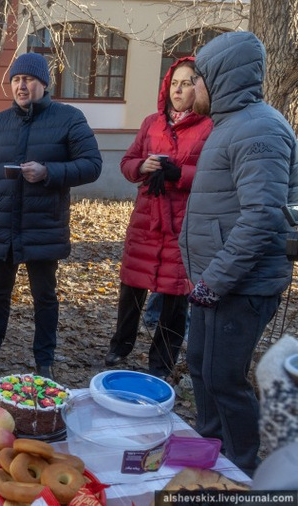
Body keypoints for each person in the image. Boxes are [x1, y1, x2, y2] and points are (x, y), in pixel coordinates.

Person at [179, 31, 298, 475]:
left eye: (198, 80)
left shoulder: (260, 128)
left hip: (241, 285)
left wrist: (216, 279)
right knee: (202, 370)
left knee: (225, 381)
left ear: (220, 79)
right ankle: (209, 454)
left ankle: (239, 470)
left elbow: (262, 215)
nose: (191, 90)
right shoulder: (232, 124)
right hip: (218, 282)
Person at [0, 52, 102, 378]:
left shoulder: (68, 118)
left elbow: (92, 164)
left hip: (43, 224)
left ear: (43, 83)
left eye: (28, 79)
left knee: (44, 296)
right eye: (16, 80)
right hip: (3, 223)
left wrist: (48, 171)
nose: (21, 86)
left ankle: (44, 360)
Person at [104, 58, 212, 378]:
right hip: (147, 218)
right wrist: (142, 167)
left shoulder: (210, 127)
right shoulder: (153, 122)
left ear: (200, 88)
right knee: (132, 287)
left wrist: (180, 173)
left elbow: (215, 175)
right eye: (174, 83)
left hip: (183, 222)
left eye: (187, 83)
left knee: (175, 296)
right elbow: (127, 162)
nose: (178, 90)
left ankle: (162, 361)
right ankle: (120, 345)